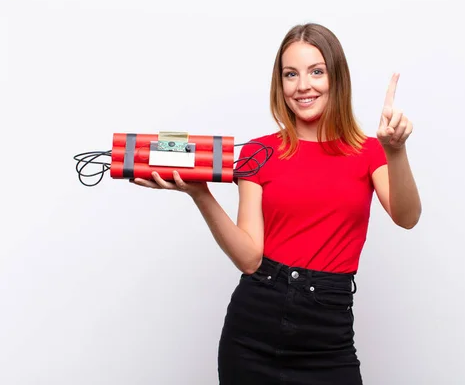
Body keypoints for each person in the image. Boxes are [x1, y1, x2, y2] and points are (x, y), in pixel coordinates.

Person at [132, 23, 421, 385]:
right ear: (279, 84)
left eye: (317, 71)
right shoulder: (258, 153)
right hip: (253, 331)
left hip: (327, 338)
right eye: (290, 74)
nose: (303, 85)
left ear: (337, 77)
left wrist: (396, 150)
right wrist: (200, 194)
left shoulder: (369, 151)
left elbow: (407, 217)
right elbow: (250, 257)